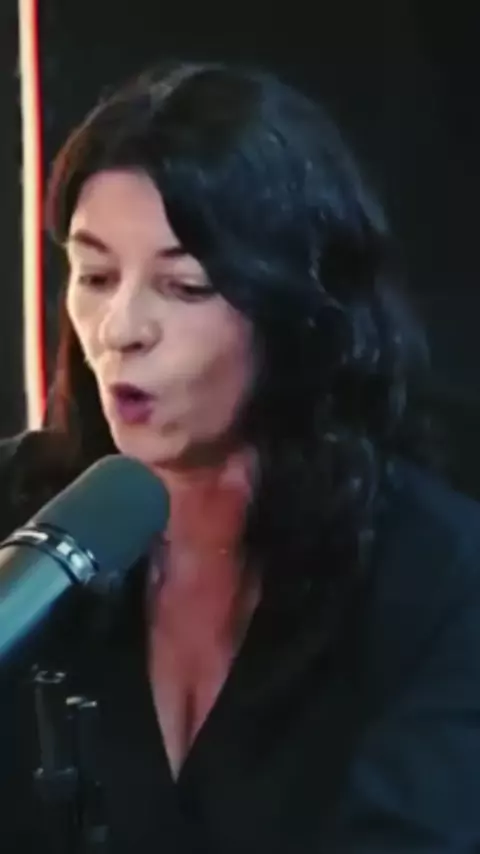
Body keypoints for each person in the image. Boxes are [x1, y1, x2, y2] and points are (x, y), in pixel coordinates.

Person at [1, 60, 480, 854]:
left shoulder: (437, 580)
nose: (120, 329)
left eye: (185, 287)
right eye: (95, 275)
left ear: (297, 308)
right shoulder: (19, 517)